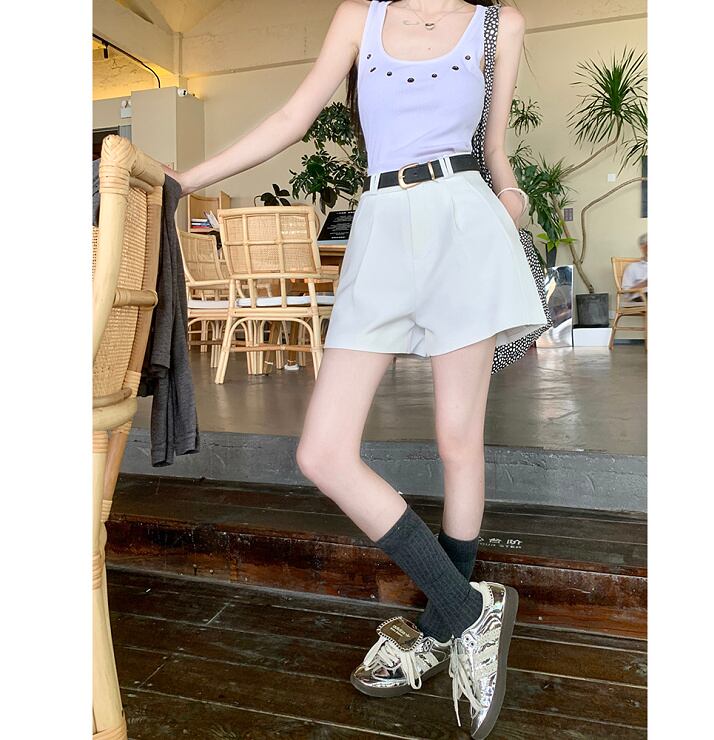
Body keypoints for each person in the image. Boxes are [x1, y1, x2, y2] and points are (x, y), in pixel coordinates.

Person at [165, 2, 548, 736]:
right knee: (323, 452)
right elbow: (293, 118)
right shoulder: (359, 18)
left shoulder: (500, 24)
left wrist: (510, 199)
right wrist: (184, 180)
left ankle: (438, 631)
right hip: (381, 227)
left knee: (457, 440)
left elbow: (495, 149)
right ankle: (469, 608)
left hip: (464, 223)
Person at [622, 233, 648, 302]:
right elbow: (626, 293)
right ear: (642, 248)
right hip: (642, 297)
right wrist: (645, 283)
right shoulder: (632, 267)